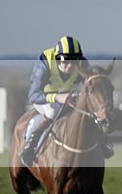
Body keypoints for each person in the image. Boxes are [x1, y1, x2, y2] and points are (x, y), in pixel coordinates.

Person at [21, 35, 114, 165]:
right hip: (45, 98)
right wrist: (57, 97)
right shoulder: (45, 61)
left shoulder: (82, 63)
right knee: (53, 111)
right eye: (66, 61)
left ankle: (101, 139)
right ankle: (30, 146)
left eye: (74, 62)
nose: (70, 66)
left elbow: (91, 84)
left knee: (87, 109)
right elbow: (33, 95)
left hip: (69, 96)